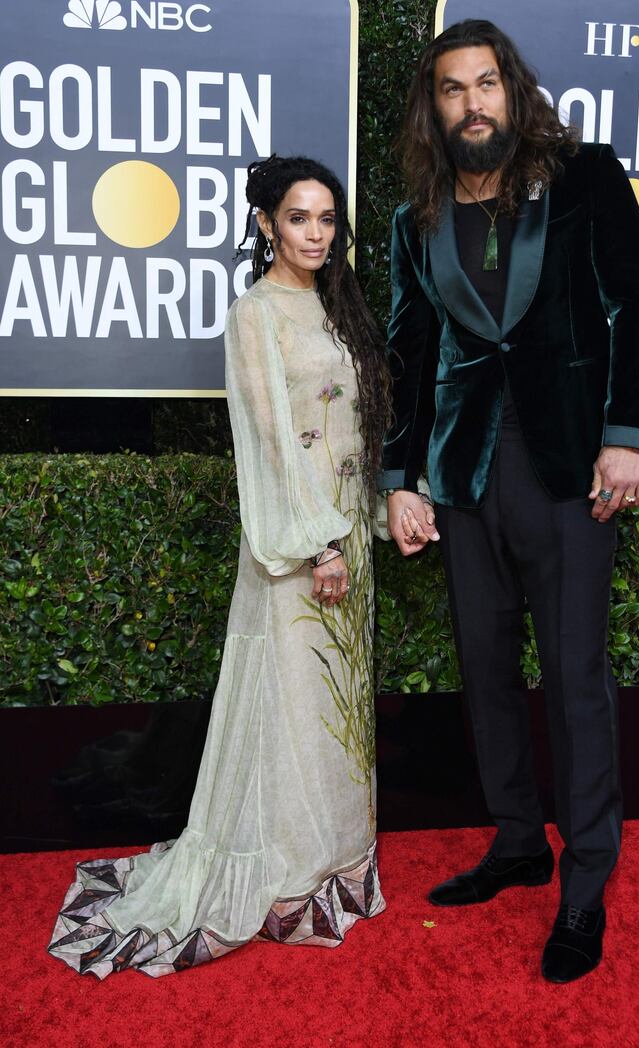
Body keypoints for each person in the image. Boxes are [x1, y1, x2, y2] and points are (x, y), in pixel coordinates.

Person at [48, 155, 392, 978]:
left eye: (328, 220)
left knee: (336, 708)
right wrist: (319, 541)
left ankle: (335, 859)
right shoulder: (255, 314)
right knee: (292, 703)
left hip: (349, 538)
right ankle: (280, 874)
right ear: (267, 223)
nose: (316, 233)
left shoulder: (337, 308)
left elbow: (351, 426)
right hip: (303, 543)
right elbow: (272, 437)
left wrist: (369, 518)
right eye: (299, 218)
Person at [380, 20, 639, 983]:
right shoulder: (414, 218)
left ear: (513, 90)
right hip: (464, 478)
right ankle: (516, 841)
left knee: (576, 678)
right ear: (435, 107)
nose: (473, 105)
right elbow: (409, 357)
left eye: (487, 84)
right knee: (486, 666)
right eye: (453, 90)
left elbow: (633, 305)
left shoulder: (585, 178)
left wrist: (628, 436)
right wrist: (397, 477)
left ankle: (585, 881)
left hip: (571, 467)